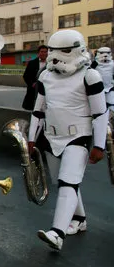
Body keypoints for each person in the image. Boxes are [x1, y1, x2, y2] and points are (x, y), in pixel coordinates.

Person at [28, 30, 107, 251]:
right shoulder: (45, 76)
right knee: (64, 182)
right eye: (52, 50)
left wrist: (99, 145)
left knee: (68, 181)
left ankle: (57, 233)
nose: (55, 56)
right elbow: (38, 110)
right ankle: (79, 219)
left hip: (78, 136)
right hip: (51, 136)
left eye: (62, 50)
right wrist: (31, 138)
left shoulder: (89, 76)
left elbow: (100, 113)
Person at [22, 45, 49, 111]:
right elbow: (26, 76)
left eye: (45, 52)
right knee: (34, 109)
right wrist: (32, 84)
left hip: (48, 90)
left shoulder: (51, 63)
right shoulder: (32, 63)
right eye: (42, 52)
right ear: (38, 53)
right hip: (34, 90)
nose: (44, 53)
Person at [91, 47, 114, 113]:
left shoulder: (112, 63)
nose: (105, 55)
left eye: (107, 53)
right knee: (99, 107)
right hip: (98, 89)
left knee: (111, 104)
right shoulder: (95, 63)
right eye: (102, 53)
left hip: (110, 87)